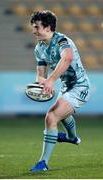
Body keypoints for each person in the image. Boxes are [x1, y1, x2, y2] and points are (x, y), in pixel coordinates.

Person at [29, 10, 91, 172]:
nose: (34, 30)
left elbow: (67, 58)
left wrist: (51, 80)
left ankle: (43, 163)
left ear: (48, 27)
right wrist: (42, 84)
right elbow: (40, 74)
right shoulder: (39, 48)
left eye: (37, 27)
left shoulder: (62, 41)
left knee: (51, 116)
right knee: (63, 114)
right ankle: (72, 138)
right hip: (65, 88)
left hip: (80, 86)